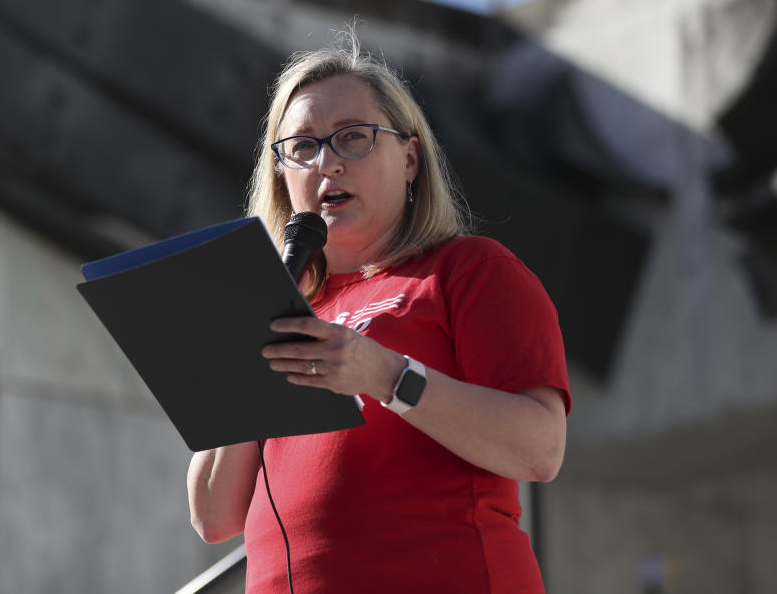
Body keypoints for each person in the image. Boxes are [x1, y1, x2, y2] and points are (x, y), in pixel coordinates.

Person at [187, 29, 571, 593]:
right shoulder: (274, 311)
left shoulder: (468, 271)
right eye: (303, 148)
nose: (328, 164)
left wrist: (386, 376)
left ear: (411, 158)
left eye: (354, 138)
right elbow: (213, 518)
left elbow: (540, 449)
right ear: (281, 176)